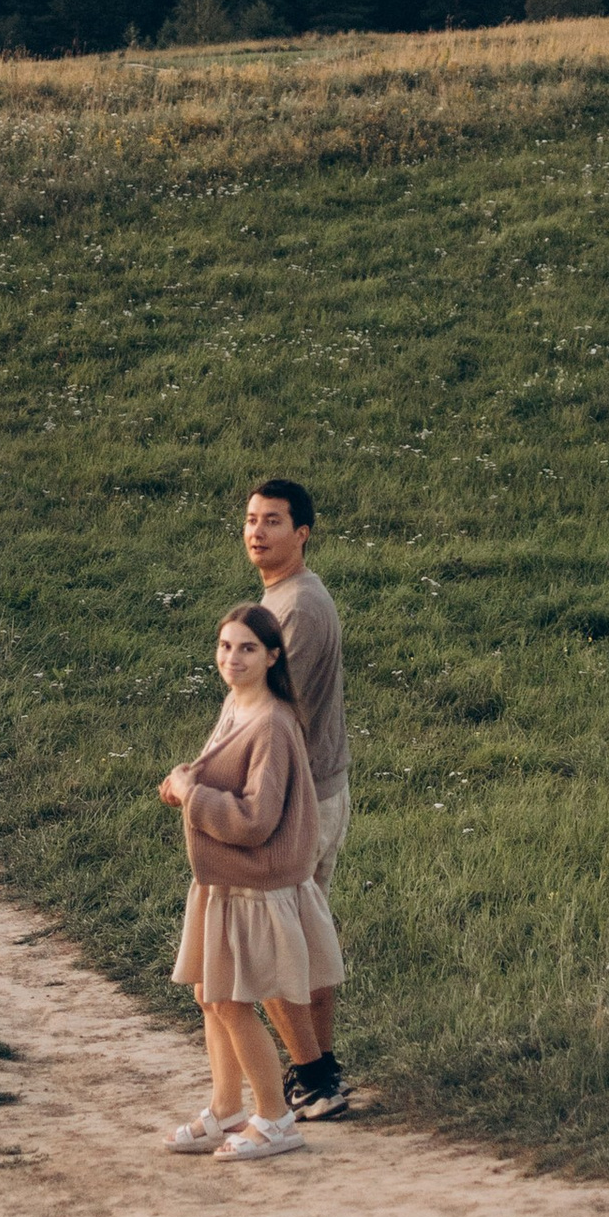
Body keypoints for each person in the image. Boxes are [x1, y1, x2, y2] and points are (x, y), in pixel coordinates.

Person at [157, 603, 343, 1163]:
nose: (231, 658)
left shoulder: (273, 723)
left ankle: (276, 1117)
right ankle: (228, 1110)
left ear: (273, 657)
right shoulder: (237, 705)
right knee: (208, 997)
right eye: (225, 647)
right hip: (222, 880)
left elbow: (258, 818)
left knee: (231, 1000)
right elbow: (216, 776)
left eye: (246, 649)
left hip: (256, 886)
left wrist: (193, 796)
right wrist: (185, 784)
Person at [241, 475, 352, 1120]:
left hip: (298, 800)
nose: (258, 532)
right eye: (252, 520)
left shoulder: (298, 609)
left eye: (274, 521)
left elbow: (272, 717)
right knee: (303, 937)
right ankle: (314, 1075)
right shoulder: (288, 599)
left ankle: (315, 1073)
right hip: (310, 790)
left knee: (270, 940)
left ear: (302, 533)